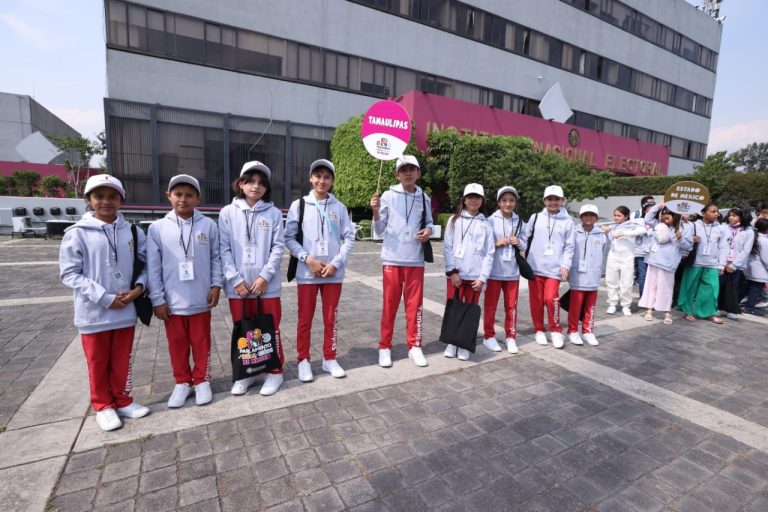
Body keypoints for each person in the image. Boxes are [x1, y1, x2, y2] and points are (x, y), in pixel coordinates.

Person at [59, 174, 150, 431]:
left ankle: (122, 399)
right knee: (98, 361)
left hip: (126, 307)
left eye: (113, 197)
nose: (106, 202)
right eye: (99, 197)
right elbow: (69, 273)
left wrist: (138, 289)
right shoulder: (76, 233)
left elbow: (144, 264)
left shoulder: (132, 231)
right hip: (94, 312)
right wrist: (104, 297)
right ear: (89, 200)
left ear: (121, 200)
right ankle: (102, 405)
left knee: (122, 358)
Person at [147, 174, 222, 408]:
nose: (183, 199)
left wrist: (216, 285)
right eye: (178, 194)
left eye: (189, 195)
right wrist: (157, 299)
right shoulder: (157, 228)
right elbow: (153, 267)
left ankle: (202, 380)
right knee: (177, 344)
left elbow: (216, 258)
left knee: (201, 342)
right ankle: (182, 382)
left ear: (198, 198)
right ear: (168, 196)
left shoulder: (208, 225)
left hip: (200, 298)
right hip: (172, 301)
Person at [284, 159, 355, 382]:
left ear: (332, 181)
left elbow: (349, 238)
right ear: (310, 178)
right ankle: (303, 360)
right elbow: (289, 238)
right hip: (307, 274)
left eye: (326, 177)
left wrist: (336, 263)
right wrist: (308, 260)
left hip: (333, 275)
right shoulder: (300, 205)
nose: (321, 181)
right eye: (318, 176)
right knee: (304, 320)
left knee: (330, 318)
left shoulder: (340, 208)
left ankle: (329, 358)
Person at [219, 161, 285, 396]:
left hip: (266, 286)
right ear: (241, 183)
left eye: (261, 183)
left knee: (270, 328)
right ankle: (246, 372)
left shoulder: (274, 213)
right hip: (239, 287)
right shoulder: (227, 213)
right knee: (244, 331)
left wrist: (265, 276)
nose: (256, 186)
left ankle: (275, 371)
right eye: (250, 181)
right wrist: (235, 280)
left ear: (267, 188)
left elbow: (278, 247)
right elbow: (223, 249)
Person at [370, 155, 434, 368]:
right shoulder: (388, 195)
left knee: (414, 306)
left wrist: (428, 231)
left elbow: (430, 223)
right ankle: (385, 347)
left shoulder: (424, 197)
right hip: (392, 259)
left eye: (412, 169)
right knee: (390, 305)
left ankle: (414, 345)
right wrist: (376, 212)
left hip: (415, 260)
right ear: (397, 174)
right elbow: (378, 232)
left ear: (418, 173)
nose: (408, 173)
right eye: (403, 169)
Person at [443, 183, 495, 360]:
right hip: (457, 275)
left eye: (477, 197)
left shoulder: (486, 224)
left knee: (470, 312)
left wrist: (482, 278)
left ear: (482, 200)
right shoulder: (454, 220)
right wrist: (452, 272)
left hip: (475, 278)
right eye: (470, 197)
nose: (473, 200)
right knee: (454, 309)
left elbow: (489, 253)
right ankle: (452, 341)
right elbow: (448, 247)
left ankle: (465, 344)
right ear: (464, 199)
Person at [524, 185, 575, 349]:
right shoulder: (536, 217)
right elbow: (525, 237)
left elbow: (569, 247)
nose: (553, 202)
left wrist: (566, 265)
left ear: (562, 201)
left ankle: (555, 330)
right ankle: (539, 329)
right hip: (534, 267)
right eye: (549, 199)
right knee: (536, 301)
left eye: (556, 199)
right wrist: (520, 249)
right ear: (544, 201)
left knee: (551, 299)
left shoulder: (568, 222)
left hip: (554, 269)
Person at [483, 186, 526, 354]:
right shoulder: (489, 221)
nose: (508, 204)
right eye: (504, 200)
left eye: (512, 200)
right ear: (499, 202)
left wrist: (519, 243)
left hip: (512, 272)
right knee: (490, 306)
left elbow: (525, 244)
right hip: (494, 271)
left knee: (511, 307)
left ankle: (511, 336)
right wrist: (496, 243)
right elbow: (483, 245)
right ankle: (489, 336)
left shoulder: (520, 221)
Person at [638, 204, 690, 324]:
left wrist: (680, 238)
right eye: (663, 217)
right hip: (654, 260)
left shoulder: (684, 227)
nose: (664, 220)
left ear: (675, 216)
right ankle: (649, 309)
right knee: (651, 286)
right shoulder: (658, 224)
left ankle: (667, 311)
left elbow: (688, 246)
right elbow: (647, 218)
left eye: (667, 218)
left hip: (669, 263)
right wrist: (658, 206)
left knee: (666, 288)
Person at [677, 203, 729, 323]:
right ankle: (689, 311)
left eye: (717, 211)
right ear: (703, 213)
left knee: (711, 289)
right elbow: (683, 243)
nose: (716, 214)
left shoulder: (721, 228)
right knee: (689, 287)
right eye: (713, 211)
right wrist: (692, 240)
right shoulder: (693, 226)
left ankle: (708, 312)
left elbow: (723, 247)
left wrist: (721, 264)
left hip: (712, 263)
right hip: (695, 262)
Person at [566, 204, 608, 347]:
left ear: (596, 218)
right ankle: (572, 330)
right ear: (580, 217)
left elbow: (602, 252)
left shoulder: (602, 234)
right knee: (575, 306)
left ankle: (588, 330)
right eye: (585, 215)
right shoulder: (573, 232)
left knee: (590, 306)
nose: (588, 218)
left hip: (593, 277)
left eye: (591, 215)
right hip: (577, 276)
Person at [602, 206, 645, 316]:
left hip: (627, 257)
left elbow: (643, 230)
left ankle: (626, 306)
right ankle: (612, 304)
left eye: (619, 215)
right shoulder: (612, 227)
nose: (616, 217)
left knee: (626, 283)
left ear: (626, 217)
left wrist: (624, 233)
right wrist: (606, 230)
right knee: (611, 281)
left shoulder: (633, 225)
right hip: (613, 256)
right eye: (615, 215)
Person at [719, 208, 753, 318]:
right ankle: (718, 307)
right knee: (720, 285)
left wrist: (734, 265)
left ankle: (731, 310)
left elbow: (746, 250)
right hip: (722, 262)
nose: (731, 217)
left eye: (734, 215)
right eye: (730, 215)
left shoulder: (748, 231)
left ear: (742, 217)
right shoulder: (723, 227)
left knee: (733, 287)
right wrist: (722, 263)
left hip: (736, 264)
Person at [743, 219, 768, 316]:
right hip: (759, 269)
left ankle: (736, 302)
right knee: (756, 288)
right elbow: (766, 257)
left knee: (748, 287)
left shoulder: (753, 237)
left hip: (750, 267)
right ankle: (750, 308)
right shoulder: (764, 240)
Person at [634, 200, 657, 297]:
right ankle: (643, 297)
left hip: (654, 253)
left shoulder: (658, 221)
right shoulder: (638, 220)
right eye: (648, 208)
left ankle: (653, 297)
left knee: (653, 277)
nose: (650, 210)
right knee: (643, 275)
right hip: (641, 252)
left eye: (653, 208)